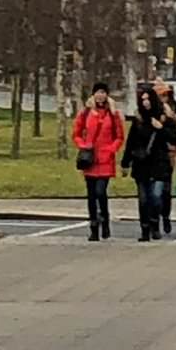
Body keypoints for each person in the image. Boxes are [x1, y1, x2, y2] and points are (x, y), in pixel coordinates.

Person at [122, 88, 176, 242]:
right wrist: (125, 163)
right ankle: (145, 229)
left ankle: (155, 223)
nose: (145, 102)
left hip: (159, 163)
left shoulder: (164, 118)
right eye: (143, 99)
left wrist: (161, 129)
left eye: (148, 99)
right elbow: (131, 142)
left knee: (156, 196)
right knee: (143, 199)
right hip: (141, 164)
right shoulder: (139, 120)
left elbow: (175, 138)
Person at [72, 81, 125, 242]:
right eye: (98, 92)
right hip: (90, 159)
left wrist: (111, 149)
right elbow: (76, 133)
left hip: (105, 159)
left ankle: (105, 219)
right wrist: (83, 145)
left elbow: (119, 136)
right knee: (91, 195)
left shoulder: (113, 114)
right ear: (93, 94)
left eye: (103, 92)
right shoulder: (86, 112)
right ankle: (93, 225)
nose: (100, 95)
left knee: (101, 192)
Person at [153, 80, 176, 234]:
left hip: (167, 157)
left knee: (165, 191)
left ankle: (165, 216)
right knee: (154, 192)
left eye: (165, 95)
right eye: (160, 95)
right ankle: (154, 220)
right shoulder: (146, 113)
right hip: (151, 158)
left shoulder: (170, 115)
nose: (163, 99)